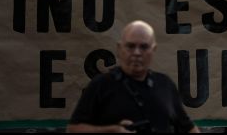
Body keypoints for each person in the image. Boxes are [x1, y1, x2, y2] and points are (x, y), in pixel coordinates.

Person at [67, 21, 199, 133]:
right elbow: (73, 129)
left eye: (144, 47)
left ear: (153, 50)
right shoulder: (101, 85)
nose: (137, 53)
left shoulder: (165, 84)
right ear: (119, 48)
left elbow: (188, 128)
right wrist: (110, 130)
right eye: (130, 46)